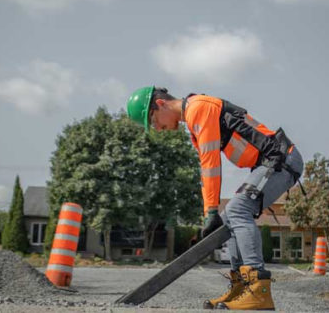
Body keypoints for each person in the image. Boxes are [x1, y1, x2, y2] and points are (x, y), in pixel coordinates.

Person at [126, 86, 303, 311]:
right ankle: (241, 288)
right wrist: (209, 214)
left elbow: (211, 164)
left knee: (238, 209)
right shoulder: (193, 119)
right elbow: (205, 170)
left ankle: (258, 289)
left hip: (282, 161)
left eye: (153, 122)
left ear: (160, 105)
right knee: (229, 215)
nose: (157, 129)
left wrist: (210, 210)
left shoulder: (198, 108)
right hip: (268, 164)